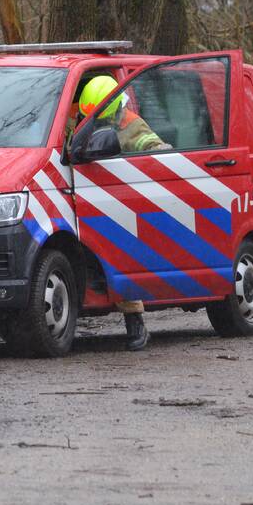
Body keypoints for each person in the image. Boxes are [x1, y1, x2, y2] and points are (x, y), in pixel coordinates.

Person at [76, 75, 171, 351]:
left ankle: (135, 323)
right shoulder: (86, 120)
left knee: (120, 257)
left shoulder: (132, 125)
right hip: (90, 196)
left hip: (122, 201)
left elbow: (156, 150)